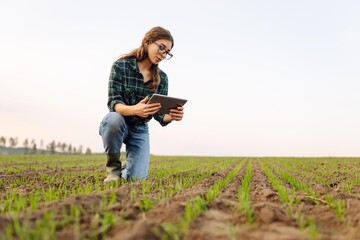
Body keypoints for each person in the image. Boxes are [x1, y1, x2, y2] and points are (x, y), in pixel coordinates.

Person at [99, 26, 184, 182]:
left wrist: (170, 116)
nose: (163, 54)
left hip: (140, 130)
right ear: (148, 41)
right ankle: (113, 170)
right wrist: (135, 110)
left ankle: (129, 167)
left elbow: (159, 114)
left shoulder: (162, 78)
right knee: (112, 119)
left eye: (167, 52)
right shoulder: (121, 66)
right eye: (161, 48)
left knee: (136, 180)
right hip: (120, 121)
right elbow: (114, 102)